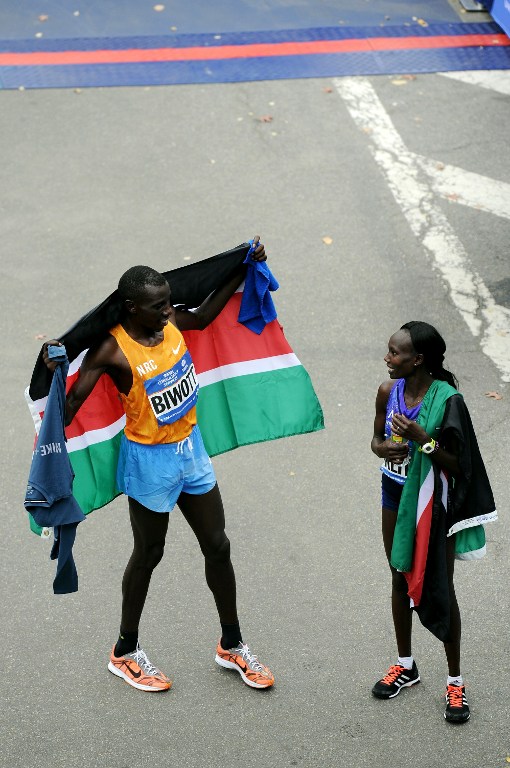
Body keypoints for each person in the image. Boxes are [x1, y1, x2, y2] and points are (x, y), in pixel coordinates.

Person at [43, 236, 274, 693]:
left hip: (191, 450)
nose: (168, 311)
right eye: (158, 306)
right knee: (149, 554)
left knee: (218, 545)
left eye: (169, 302)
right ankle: (125, 651)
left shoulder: (170, 325)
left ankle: (232, 644)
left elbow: (205, 314)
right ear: (130, 307)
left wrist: (243, 267)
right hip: (149, 462)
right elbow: (67, 408)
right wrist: (54, 370)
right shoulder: (110, 350)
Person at [370, 321, 496, 724]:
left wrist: (423, 438)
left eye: (395, 352)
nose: (387, 358)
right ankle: (405, 664)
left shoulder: (449, 401)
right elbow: (375, 440)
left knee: (440, 585)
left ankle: (455, 681)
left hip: (433, 504)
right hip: (394, 494)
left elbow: (461, 464)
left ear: (418, 359)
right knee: (397, 575)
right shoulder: (388, 391)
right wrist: (384, 448)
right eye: (389, 351)